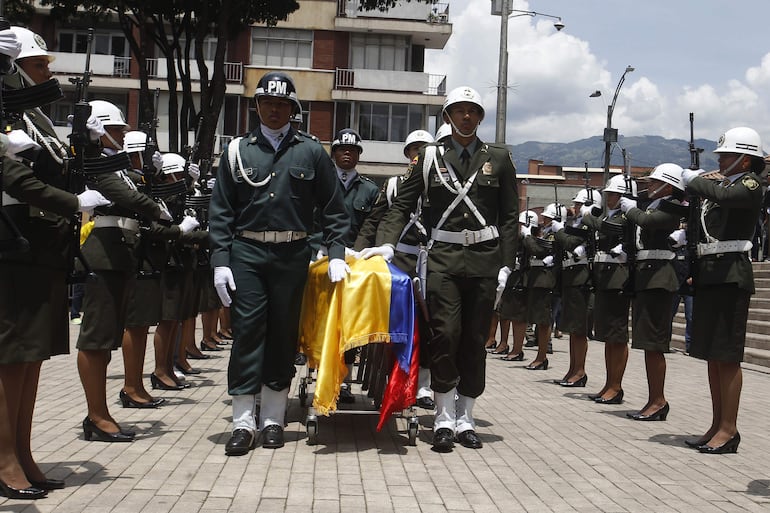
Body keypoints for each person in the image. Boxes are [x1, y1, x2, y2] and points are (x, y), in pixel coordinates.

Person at [361, 85, 519, 452]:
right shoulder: (431, 158)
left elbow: (510, 217)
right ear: (447, 117)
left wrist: (507, 264)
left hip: (484, 259)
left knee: (475, 340)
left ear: (480, 117)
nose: (466, 116)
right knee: (445, 335)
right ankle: (444, 416)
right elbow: (401, 205)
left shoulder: (499, 156)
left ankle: (467, 417)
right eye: (458, 110)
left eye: (472, 110)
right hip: (442, 258)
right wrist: (386, 242)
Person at [209, 71, 349, 455]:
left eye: (282, 104)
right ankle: (243, 421)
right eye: (267, 103)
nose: (274, 110)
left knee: (284, 335)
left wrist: (335, 253)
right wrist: (221, 260)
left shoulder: (311, 151)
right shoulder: (238, 151)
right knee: (248, 332)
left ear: (293, 108)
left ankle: (273, 418)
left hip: (293, 253)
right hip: (247, 253)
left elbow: (335, 210)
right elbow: (221, 211)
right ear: (256, 106)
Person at [0, 26, 110, 498]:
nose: (49, 71)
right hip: (15, 243)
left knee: (32, 360)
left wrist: (82, 152)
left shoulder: (36, 119)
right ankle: (5, 461)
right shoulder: (9, 117)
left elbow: (55, 168)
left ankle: (22, 453)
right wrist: (73, 201)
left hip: (44, 248)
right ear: (15, 69)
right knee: (10, 360)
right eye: (40, 63)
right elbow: (15, 179)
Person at [76, 100, 169, 442]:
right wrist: (158, 211)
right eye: (115, 130)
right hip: (102, 256)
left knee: (107, 340)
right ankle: (96, 416)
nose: (120, 135)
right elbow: (123, 197)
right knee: (96, 340)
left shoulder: (116, 168)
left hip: (120, 256)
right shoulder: (97, 164)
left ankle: (101, 412)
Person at [680, 127, 765, 454]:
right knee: (712, 356)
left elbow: (726, 198)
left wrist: (693, 178)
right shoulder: (723, 183)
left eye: (727, 155)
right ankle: (716, 424)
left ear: (745, 158)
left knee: (727, 357)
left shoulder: (750, 183)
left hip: (732, 274)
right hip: (712, 272)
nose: (722, 159)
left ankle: (729, 429)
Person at [354, 128, 436, 409]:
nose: (419, 155)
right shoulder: (391, 186)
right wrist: (359, 253)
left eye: (425, 149)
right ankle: (388, 378)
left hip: (429, 261)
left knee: (427, 325)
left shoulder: (441, 185)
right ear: (408, 155)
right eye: (415, 150)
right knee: (392, 324)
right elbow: (373, 223)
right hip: (397, 260)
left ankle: (423, 386)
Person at [619, 163, 686, 420]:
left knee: (655, 343)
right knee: (648, 343)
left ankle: (658, 400)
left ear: (668, 186)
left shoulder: (669, 208)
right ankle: (653, 399)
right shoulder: (655, 204)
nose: (649, 187)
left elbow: (647, 221)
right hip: (647, 275)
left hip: (660, 277)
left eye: (655, 183)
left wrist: (630, 208)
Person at [322, 128, 379, 403]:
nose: (347, 153)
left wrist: (357, 253)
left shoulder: (369, 189)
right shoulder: (320, 184)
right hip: (322, 259)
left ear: (358, 155)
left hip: (355, 262)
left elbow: (373, 225)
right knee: (324, 321)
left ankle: (344, 382)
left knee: (350, 324)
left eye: (353, 150)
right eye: (342, 149)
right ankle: (323, 376)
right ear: (333, 154)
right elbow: (311, 221)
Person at [581, 175, 636, 404]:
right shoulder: (608, 215)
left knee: (617, 335)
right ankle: (608, 383)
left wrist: (589, 218)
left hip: (618, 278)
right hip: (604, 276)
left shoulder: (626, 216)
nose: (610, 198)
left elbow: (612, 230)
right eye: (608, 195)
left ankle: (616, 385)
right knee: (607, 336)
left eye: (614, 194)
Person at [550, 188, 602, 387]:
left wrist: (560, 231)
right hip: (572, 276)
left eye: (580, 204)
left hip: (582, 279)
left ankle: (579, 372)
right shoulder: (579, 223)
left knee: (579, 330)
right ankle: (572, 369)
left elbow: (571, 243)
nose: (576, 207)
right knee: (573, 329)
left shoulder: (589, 225)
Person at [521, 202, 563, 371]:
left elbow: (538, 251)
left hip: (546, 281)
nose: (544, 219)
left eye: (548, 217)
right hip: (539, 279)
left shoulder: (553, 236)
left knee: (544, 321)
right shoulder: (546, 233)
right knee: (540, 319)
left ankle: (542, 357)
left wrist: (527, 237)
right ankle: (540, 355)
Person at [498, 210, 539, 362]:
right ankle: (513, 348)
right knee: (511, 315)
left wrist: (527, 235)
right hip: (514, 279)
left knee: (519, 318)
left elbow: (534, 251)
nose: (519, 227)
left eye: (522, 224)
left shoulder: (531, 239)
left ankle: (517, 350)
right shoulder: (519, 240)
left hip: (523, 280)